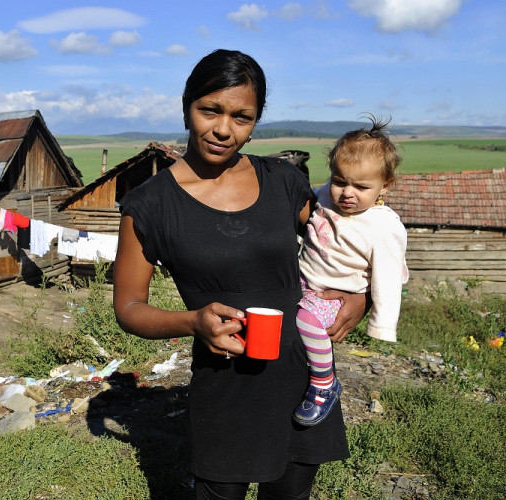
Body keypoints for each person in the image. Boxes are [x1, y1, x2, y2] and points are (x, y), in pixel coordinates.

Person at [113, 49, 368, 500]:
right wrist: (192, 321)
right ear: (186, 104)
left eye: (242, 117)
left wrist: (360, 294)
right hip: (225, 387)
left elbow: (344, 242)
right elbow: (129, 308)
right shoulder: (151, 205)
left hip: (305, 381)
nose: (224, 129)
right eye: (210, 110)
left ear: (256, 121)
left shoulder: (284, 181)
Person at [293, 116, 408, 426]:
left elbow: (388, 277)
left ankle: (324, 383)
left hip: (335, 295)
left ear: (385, 185)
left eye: (361, 186)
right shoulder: (325, 196)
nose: (347, 193)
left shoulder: (383, 226)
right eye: (340, 180)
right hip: (303, 281)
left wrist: (381, 325)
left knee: (306, 322)